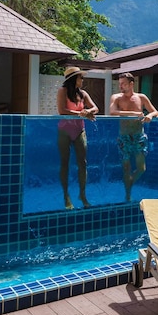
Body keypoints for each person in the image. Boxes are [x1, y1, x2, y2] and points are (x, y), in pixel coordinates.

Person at [109, 72, 158, 201]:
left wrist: (149, 115)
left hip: (139, 136)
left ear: (131, 84)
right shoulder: (116, 98)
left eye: (124, 84)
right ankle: (127, 195)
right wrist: (134, 113)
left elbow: (155, 112)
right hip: (124, 137)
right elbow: (112, 112)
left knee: (141, 168)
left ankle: (129, 184)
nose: (121, 86)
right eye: (120, 84)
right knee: (126, 169)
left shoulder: (141, 97)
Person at [57, 66, 98, 209]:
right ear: (74, 79)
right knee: (65, 163)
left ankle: (82, 194)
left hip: (80, 130)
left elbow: (95, 108)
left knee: (83, 163)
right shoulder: (62, 91)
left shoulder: (83, 94)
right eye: (80, 77)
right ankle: (66, 195)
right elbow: (62, 110)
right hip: (64, 131)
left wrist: (88, 111)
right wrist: (81, 113)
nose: (82, 79)